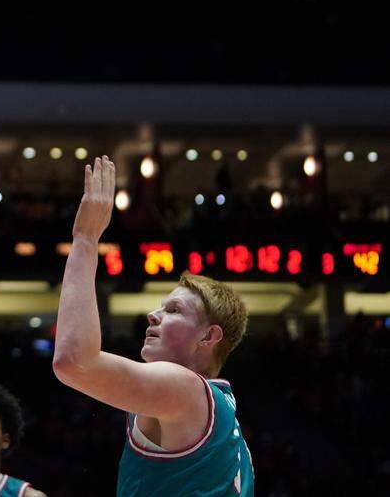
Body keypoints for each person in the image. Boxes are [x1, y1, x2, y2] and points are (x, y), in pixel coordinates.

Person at [52, 157, 254, 496]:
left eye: (173, 309)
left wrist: (85, 239)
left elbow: (73, 361)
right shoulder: (222, 414)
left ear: (209, 336)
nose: (153, 314)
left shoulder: (187, 389)